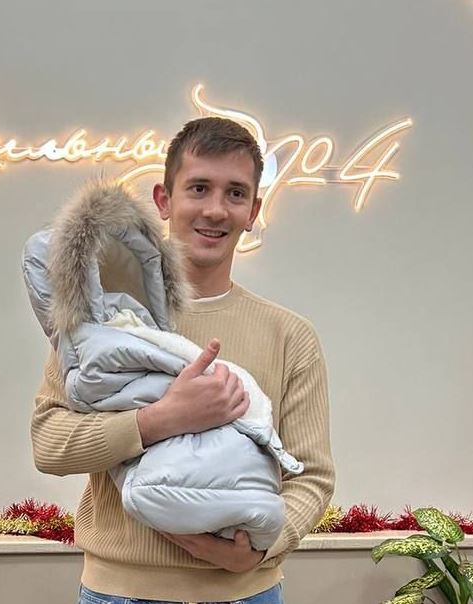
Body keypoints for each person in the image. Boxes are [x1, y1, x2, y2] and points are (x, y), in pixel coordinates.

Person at [30, 116, 335, 604]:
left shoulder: (290, 335)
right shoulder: (106, 320)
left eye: (235, 193)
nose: (215, 209)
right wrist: (161, 419)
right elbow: (49, 443)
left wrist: (260, 549)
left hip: (247, 593)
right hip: (119, 593)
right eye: (199, 188)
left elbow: (312, 475)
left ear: (253, 211)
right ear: (163, 200)